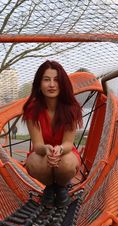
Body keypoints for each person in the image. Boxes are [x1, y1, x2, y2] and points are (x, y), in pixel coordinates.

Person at [22, 60, 82, 207]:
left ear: (63, 84)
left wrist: (59, 149)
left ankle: (60, 186)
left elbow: (68, 143)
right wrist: (47, 149)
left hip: (66, 152)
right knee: (35, 162)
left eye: (56, 80)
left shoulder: (71, 108)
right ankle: (50, 187)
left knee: (66, 163)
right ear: (39, 84)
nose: (52, 85)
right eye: (46, 80)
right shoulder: (32, 108)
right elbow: (37, 145)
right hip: (43, 154)